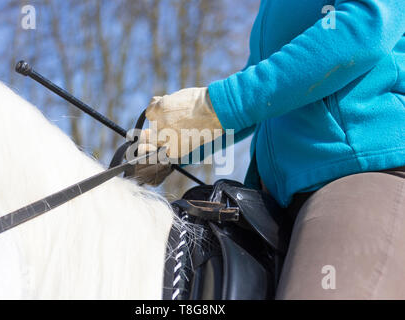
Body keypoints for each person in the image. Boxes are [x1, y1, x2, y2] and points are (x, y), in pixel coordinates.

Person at [137, 0, 405, 299]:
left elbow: (364, 26)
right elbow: (264, 83)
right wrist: (172, 144)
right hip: (276, 201)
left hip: (365, 174)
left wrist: (217, 105)